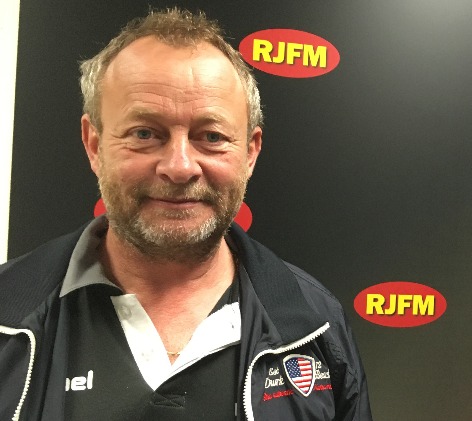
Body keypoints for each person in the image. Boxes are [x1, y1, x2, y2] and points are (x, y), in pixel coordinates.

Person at [0, 8, 371, 420]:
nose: (179, 167)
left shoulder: (318, 326)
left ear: (250, 153)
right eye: (145, 133)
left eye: (211, 136)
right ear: (94, 145)